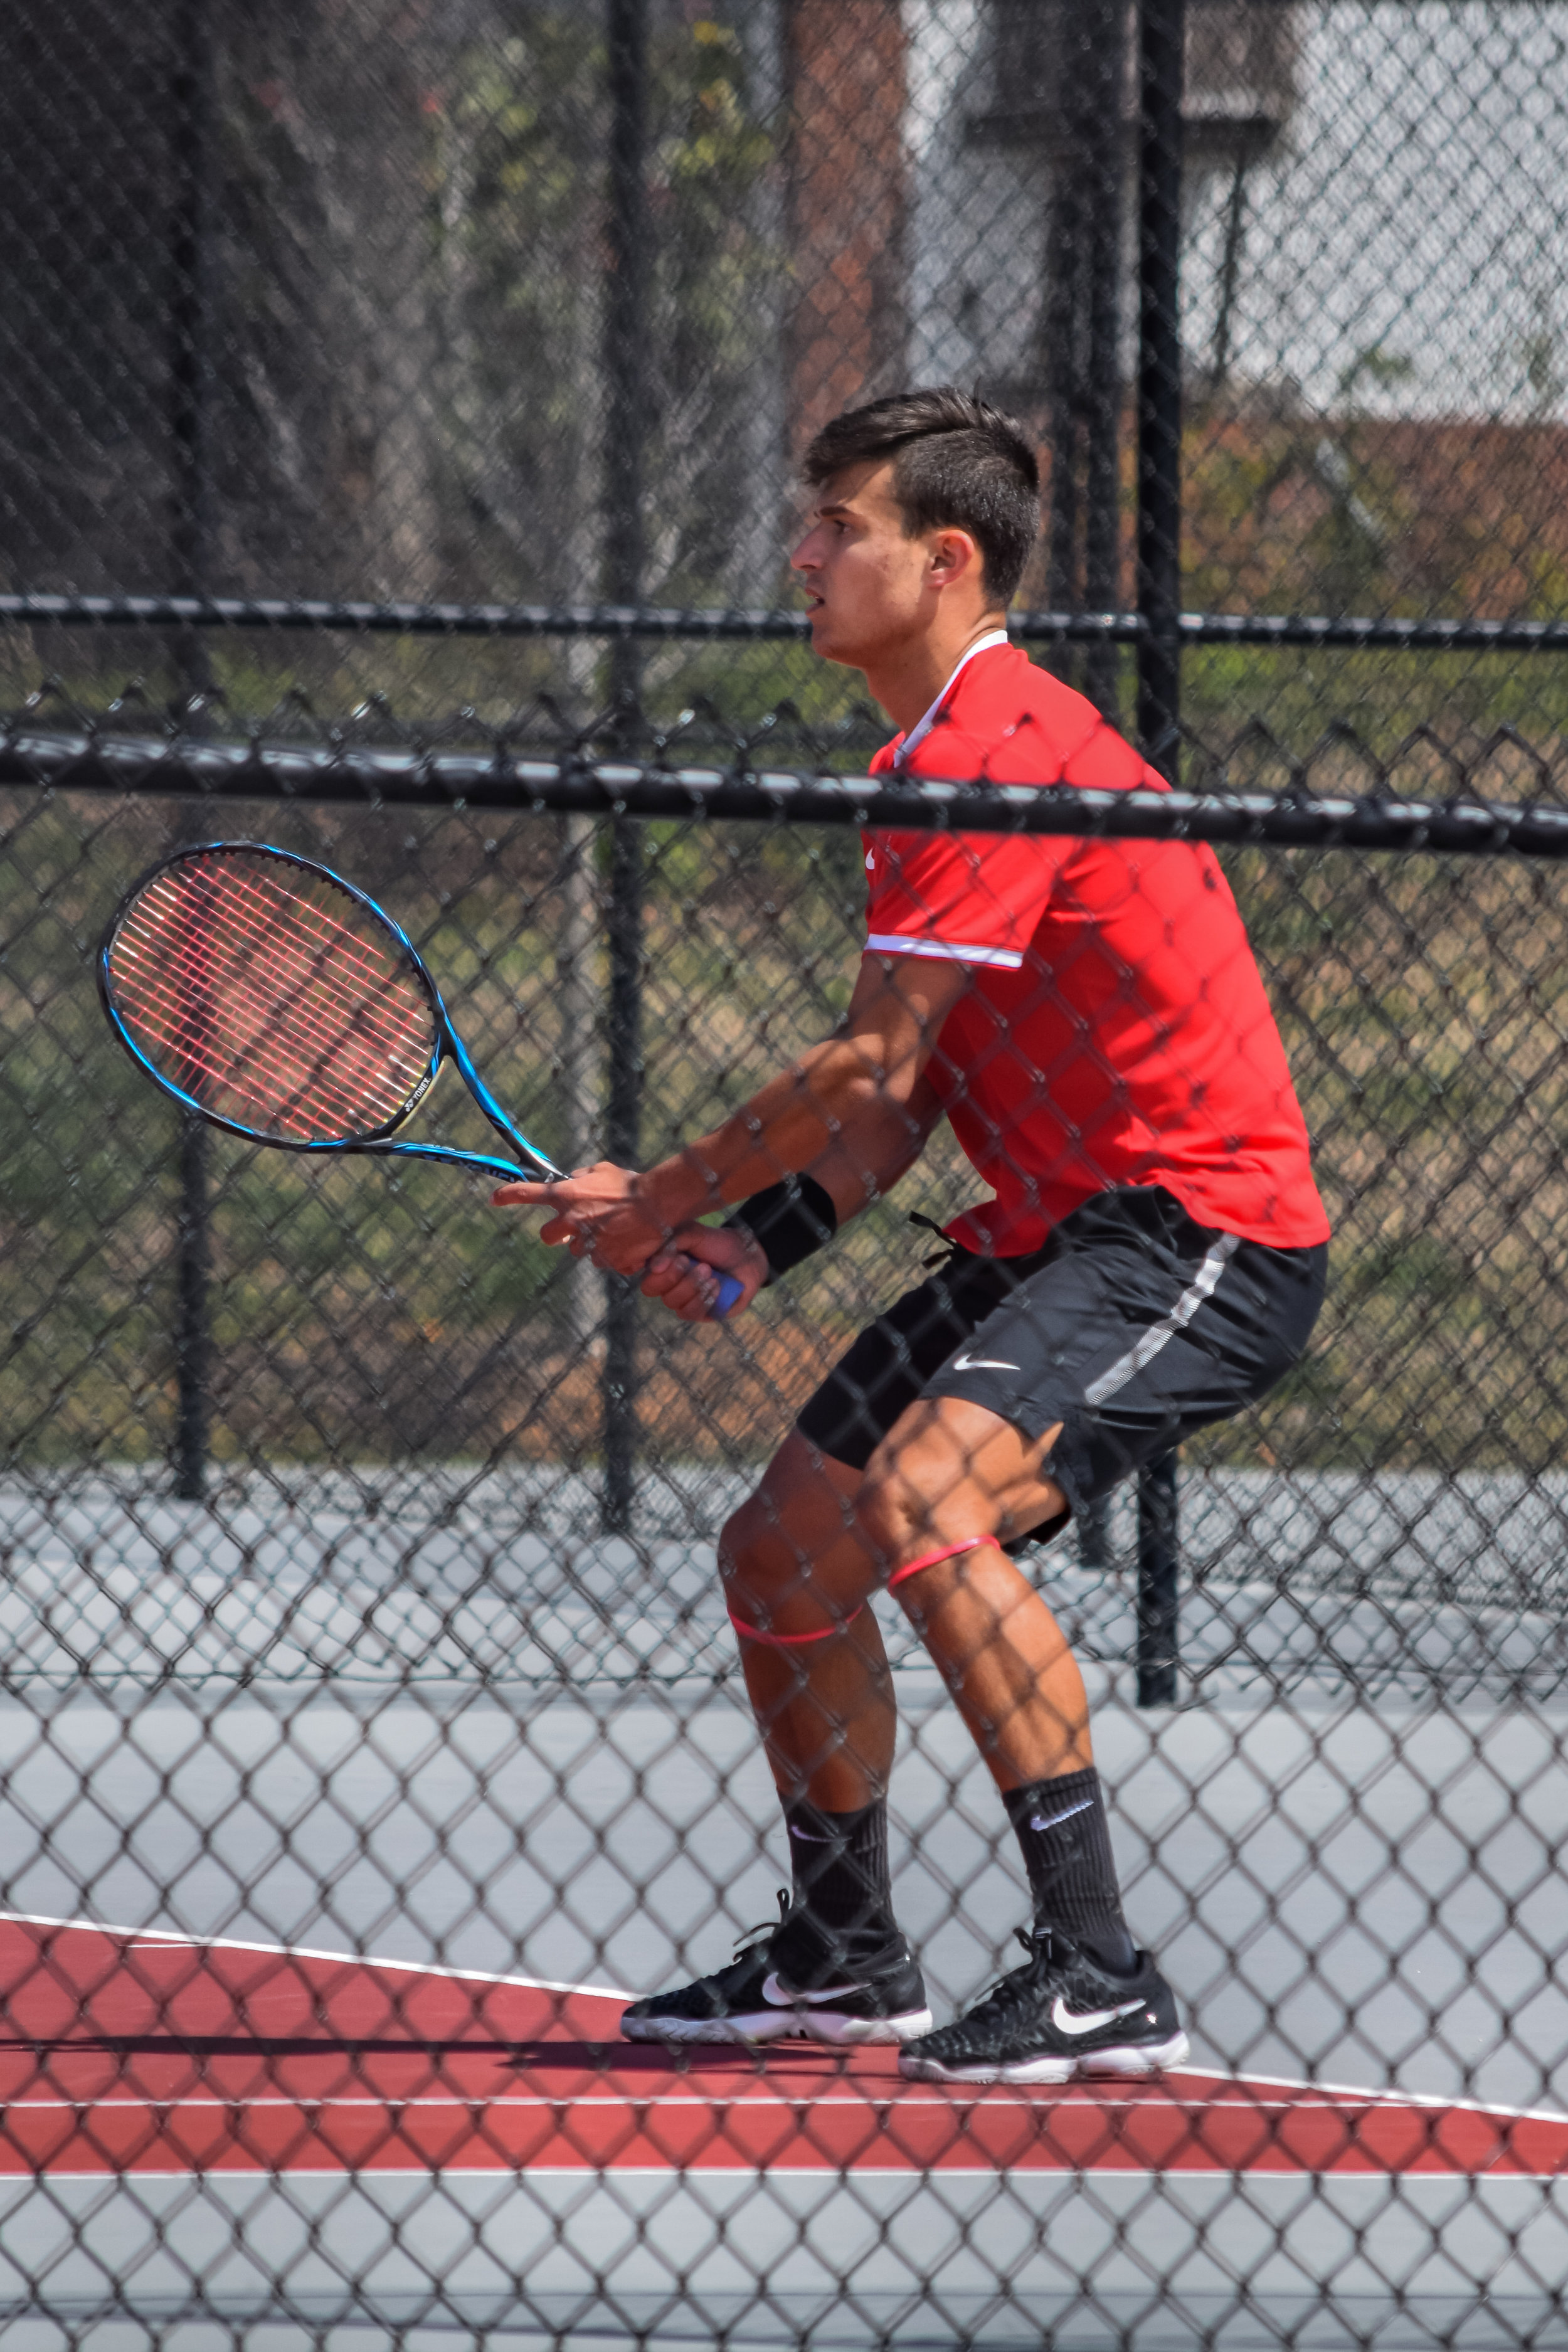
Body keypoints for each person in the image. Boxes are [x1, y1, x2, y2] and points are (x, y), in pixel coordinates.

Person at [495, 388, 1329, 2087]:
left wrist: (664, 1191)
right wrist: (743, 1249)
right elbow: (905, 1104)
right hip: (1047, 1238)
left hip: (1200, 1236)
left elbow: (867, 1061)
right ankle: (841, 1952)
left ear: (942, 561)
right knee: (782, 1554)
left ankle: (1096, 1969)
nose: (799, 557)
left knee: (930, 1499)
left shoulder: (993, 747)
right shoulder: (921, 758)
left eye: (837, 531)